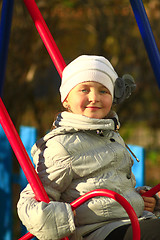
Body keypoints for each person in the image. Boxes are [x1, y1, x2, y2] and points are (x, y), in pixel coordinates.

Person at [17, 55, 160, 240]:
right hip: (96, 231)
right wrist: (62, 217)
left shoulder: (111, 135)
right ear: (66, 99)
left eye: (103, 91)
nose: (94, 98)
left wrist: (146, 199)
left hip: (131, 220)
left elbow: (115, 185)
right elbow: (29, 202)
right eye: (84, 89)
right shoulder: (61, 146)